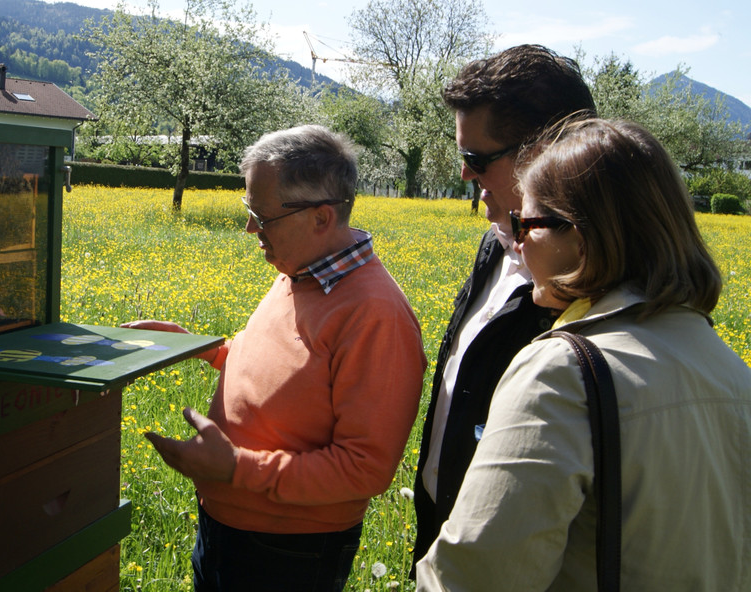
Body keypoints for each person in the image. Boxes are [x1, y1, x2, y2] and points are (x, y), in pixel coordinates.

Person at [416, 118, 751, 590]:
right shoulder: (731, 370)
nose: (516, 244)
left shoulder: (562, 372)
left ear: (582, 239)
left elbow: (471, 578)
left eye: (525, 224)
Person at [124, 125, 426, 591]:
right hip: (227, 526)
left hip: (289, 551)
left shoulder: (376, 314)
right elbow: (287, 373)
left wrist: (236, 469)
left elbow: (365, 468)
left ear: (321, 218)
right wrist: (202, 348)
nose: (251, 229)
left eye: (262, 217)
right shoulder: (300, 271)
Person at [412, 44, 597, 572]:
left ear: (547, 152)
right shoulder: (496, 243)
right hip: (448, 532)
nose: (465, 175)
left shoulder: (597, 283)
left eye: (477, 159)